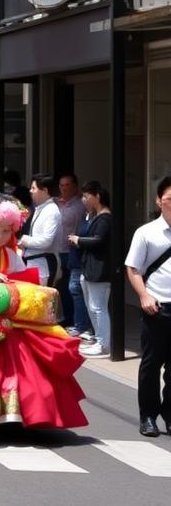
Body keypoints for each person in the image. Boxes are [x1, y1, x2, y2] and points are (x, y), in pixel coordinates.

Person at [0, 191, 88, 429]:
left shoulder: (11, 255)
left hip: (13, 324)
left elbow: (25, 284)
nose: (0, 236)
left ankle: (30, 412)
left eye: (7, 231)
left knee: (35, 363)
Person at [125, 175, 171, 437]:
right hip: (156, 307)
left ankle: (170, 414)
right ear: (158, 201)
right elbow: (133, 269)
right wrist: (144, 296)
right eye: (169, 200)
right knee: (151, 365)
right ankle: (149, 417)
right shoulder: (146, 233)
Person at [71, 181, 113, 358]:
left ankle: (104, 345)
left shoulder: (105, 218)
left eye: (87, 195)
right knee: (91, 306)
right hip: (89, 269)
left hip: (99, 271)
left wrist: (78, 240)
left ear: (98, 196)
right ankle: (99, 340)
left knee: (98, 307)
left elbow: (98, 240)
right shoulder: (95, 216)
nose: (84, 199)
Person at [18, 174, 63, 287]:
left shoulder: (52, 211)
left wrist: (25, 240)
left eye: (34, 188)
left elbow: (46, 241)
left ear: (45, 190)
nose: (31, 191)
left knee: (42, 301)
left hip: (44, 265)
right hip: (34, 262)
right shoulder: (40, 208)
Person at [56, 172, 87, 328]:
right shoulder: (56, 204)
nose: (64, 188)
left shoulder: (81, 205)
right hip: (58, 251)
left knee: (73, 288)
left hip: (73, 251)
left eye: (67, 185)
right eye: (61, 185)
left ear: (75, 186)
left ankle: (76, 322)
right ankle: (65, 319)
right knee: (61, 288)